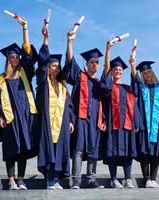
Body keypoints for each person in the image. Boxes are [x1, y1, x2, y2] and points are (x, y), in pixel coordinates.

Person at [0, 16, 38, 190]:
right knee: (11, 149)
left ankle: (21, 179)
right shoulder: (0, 78)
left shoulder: (25, 73)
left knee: (24, 149)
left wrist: (25, 29)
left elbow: (29, 54)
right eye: (11, 56)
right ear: (7, 59)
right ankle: (11, 179)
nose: (14, 58)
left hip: (26, 116)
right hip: (10, 117)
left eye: (16, 56)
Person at [62, 30, 107, 189]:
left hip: (95, 121)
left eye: (96, 62)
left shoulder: (98, 83)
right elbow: (70, 60)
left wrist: (104, 120)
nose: (95, 64)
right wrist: (70, 42)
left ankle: (91, 179)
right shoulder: (79, 76)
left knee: (93, 150)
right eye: (92, 62)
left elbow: (105, 102)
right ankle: (76, 181)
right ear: (87, 64)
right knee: (79, 150)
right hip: (80, 118)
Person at [36, 24, 75, 190]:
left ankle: (56, 180)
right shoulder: (44, 83)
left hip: (61, 124)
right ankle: (49, 180)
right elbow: (42, 64)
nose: (56, 68)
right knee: (49, 150)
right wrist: (46, 39)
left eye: (58, 66)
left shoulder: (62, 86)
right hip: (47, 123)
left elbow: (69, 105)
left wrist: (71, 120)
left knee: (60, 151)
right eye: (53, 65)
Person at [101, 40, 141, 189]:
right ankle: (114, 179)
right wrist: (108, 51)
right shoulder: (109, 87)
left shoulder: (127, 88)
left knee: (127, 153)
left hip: (127, 125)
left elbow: (137, 96)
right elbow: (104, 83)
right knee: (113, 152)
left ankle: (128, 179)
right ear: (112, 72)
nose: (117, 71)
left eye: (120, 70)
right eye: (115, 70)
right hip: (113, 125)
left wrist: (132, 66)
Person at [130, 57, 159, 188]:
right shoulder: (141, 88)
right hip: (144, 125)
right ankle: (147, 179)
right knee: (145, 153)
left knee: (156, 152)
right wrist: (132, 66)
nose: (147, 74)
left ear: (152, 73)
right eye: (144, 73)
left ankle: (153, 179)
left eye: (149, 72)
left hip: (158, 126)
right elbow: (135, 81)